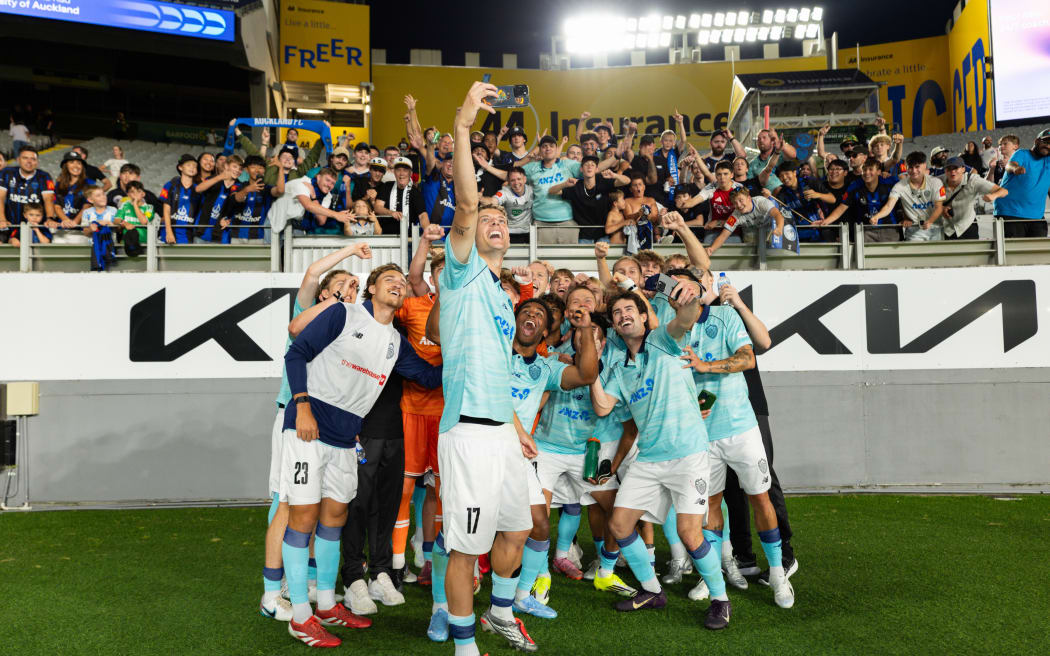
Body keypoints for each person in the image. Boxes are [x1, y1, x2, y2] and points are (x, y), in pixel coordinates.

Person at [421, 81, 538, 655]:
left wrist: (517, 426)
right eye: (487, 217)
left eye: (502, 219)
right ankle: (465, 647)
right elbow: (466, 204)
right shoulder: (463, 273)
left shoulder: (503, 292)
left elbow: (500, 371)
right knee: (466, 548)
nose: (494, 220)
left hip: (503, 433)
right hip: (467, 432)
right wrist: (464, 128)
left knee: (517, 529)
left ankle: (499, 613)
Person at [280, 261, 441, 648]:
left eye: (403, 283)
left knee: (334, 517)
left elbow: (430, 377)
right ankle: (300, 616)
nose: (399, 285)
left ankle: (325, 605)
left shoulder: (396, 343)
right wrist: (301, 405)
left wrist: (467, 356)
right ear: (371, 289)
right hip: (309, 424)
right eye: (390, 280)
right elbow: (296, 353)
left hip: (346, 437)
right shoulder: (343, 312)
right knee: (303, 517)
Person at [589, 287, 732, 630]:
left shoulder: (662, 340)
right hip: (650, 458)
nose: (624, 315)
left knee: (689, 533)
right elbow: (602, 406)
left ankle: (720, 599)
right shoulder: (619, 367)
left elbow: (685, 319)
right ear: (614, 324)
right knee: (619, 525)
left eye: (629, 309)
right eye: (617, 312)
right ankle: (652, 591)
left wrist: (688, 302)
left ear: (642, 316)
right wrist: (592, 363)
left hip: (688, 454)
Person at [260, 242, 367, 624]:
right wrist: (351, 251)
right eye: (343, 286)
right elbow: (309, 276)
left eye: (356, 289)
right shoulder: (310, 311)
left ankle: (302, 585)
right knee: (286, 503)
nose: (351, 294)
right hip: (294, 415)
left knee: (315, 507)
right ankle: (273, 592)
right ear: (325, 292)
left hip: (327, 426)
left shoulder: (348, 326)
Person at [676, 268, 795, 610]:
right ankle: (710, 574)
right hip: (702, 435)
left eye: (687, 287)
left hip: (741, 427)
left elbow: (747, 357)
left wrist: (706, 367)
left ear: (699, 290)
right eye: (675, 290)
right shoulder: (672, 330)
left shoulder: (725, 314)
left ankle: (777, 573)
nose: (682, 295)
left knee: (760, 498)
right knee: (710, 506)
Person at [390, 223, 446, 593]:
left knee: (443, 492)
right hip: (410, 409)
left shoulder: (466, 310)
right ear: (432, 276)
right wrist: (425, 241)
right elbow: (412, 277)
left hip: (446, 414)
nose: (445, 278)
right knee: (405, 491)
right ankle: (395, 566)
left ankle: (432, 561)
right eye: (439, 272)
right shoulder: (413, 304)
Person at [549, 155, 629, 243]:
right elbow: (551, 191)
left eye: (592, 165)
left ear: (596, 169)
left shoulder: (603, 182)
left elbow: (627, 181)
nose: (589, 167)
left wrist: (614, 175)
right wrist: (564, 184)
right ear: (581, 169)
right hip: (584, 235)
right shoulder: (576, 186)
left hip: (603, 234)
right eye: (586, 164)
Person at [867, 151, 945, 242]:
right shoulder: (899, 186)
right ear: (906, 167)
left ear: (924, 165)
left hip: (935, 228)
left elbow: (939, 207)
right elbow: (888, 206)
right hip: (914, 231)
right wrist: (877, 216)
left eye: (917, 167)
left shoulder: (935, 182)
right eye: (910, 167)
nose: (914, 171)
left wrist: (930, 221)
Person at [820, 159, 900, 242]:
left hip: (889, 228)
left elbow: (905, 194)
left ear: (879, 172)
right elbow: (842, 207)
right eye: (864, 170)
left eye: (870, 169)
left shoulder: (890, 182)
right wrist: (825, 222)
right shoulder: (855, 186)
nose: (867, 173)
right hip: (865, 230)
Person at [994, 129, 1050, 238]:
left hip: (1036, 215)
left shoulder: (1048, 160)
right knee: (1013, 253)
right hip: (1011, 212)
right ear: (1036, 141)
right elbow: (1010, 165)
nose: (1048, 146)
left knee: (1037, 252)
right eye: (1045, 142)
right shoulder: (1022, 153)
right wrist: (1016, 169)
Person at [939, 157, 1007, 240]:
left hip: (967, 226)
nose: (952, 172)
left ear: (963, 169)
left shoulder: (973, 181)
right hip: (945, 228)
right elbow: (926, 200)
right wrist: (941, 208)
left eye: (956, 168)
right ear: (945, 171)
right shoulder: (938, 182)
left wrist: (993, 196)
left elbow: (1003, 191)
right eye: (949, 169)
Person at [706, 188, 785, 255]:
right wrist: (711, 249)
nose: (739, 205)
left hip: (770, 226)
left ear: (749, 198)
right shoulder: (734, 216)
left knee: (773, 251)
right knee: (751, 252)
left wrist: (779, 227)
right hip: (751, 230)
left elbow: (778, 215)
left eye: (741, 200)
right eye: (735, 203)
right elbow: (723, 236)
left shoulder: (761, 202)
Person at [226, 155, 284, 243]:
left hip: (258, 236)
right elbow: (235, 199)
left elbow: (280, 190)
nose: (257, 170)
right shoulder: (238, 185)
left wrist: (281, 168)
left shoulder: (266, 188)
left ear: (264, 171)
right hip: (237, 234)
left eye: (260, 168)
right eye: (253, 167)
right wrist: (247, 189)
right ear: (246, 169)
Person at [772, 160, 828, 242]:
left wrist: (818, 196)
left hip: (817, 229)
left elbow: (830, 200)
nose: (784, 178)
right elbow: (778, 212)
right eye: (781, 176)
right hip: (796, 234)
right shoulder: (781, 193)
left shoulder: (809, 183)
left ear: (795, 172)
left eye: (787, 174)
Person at [605, 172, 660, 250]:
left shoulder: (651, 200)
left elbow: (655, 218)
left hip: (650, 233)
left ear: (644, 187)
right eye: (635, 185)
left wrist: (647, 216)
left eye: (640, 184)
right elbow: (628, 217)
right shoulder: (627, 201)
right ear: (631, 189)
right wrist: (639, 214)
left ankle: (659, 239)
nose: (638, 187)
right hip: (634, 236)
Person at [375, 156, 427, 234]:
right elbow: (377, 207)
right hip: (385, 237)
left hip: (408, 239)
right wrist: (391, 213)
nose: (401, 174)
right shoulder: (387, 186)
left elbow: (422, 215)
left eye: (405, 170)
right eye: (398, 170)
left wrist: (428, 233)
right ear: (394, 172)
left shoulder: (415, 192)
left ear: (410, 173)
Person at [196, 155, 242, 243]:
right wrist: (219, 177)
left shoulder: (240, 186)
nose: (237, 170)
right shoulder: (213, 179)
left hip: (221, 235)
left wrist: (229, 220)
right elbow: (198, 189)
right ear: (226, 166)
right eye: (235, 166)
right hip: (202, 231)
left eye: (240, 169)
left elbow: (238, 209)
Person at [53, 151, 98, 238]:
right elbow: (57, 206)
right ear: (66, 166)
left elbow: (87, 205)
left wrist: (74, 223)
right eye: (71, 162)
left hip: (82, 230)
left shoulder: (90, 183)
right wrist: (66, 221)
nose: (76, 166)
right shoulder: (59, 184)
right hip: (62, 229)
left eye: (79, 163)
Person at [160, 154, 201, 244]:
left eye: (195, 166)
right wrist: (169, 232)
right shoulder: (170, 185)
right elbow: (166, 210)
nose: (192, 168)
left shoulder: (198, 189)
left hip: (188, 235)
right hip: (169, 233)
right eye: (188, 165)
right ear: (180, 167)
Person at [492, 168, 534, 244]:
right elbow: (493, 201)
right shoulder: (505, 192)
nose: (516, 183)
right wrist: (480, 198)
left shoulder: (532, 190)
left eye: (519, 179)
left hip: (529, 232)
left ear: (525, 179)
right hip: (510, 233)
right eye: (512, 180)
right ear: (508, 182)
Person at [113, 181, 152, 256]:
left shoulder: (149, 207)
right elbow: (116, 220)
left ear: (143, 194)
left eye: (138, 191)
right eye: (132, 192)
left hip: (144, 244)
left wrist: (135, 204)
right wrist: (125, 223)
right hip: (127, 244)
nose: (135, 194)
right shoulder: (124, 205)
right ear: (128, 194)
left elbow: (143, 221)